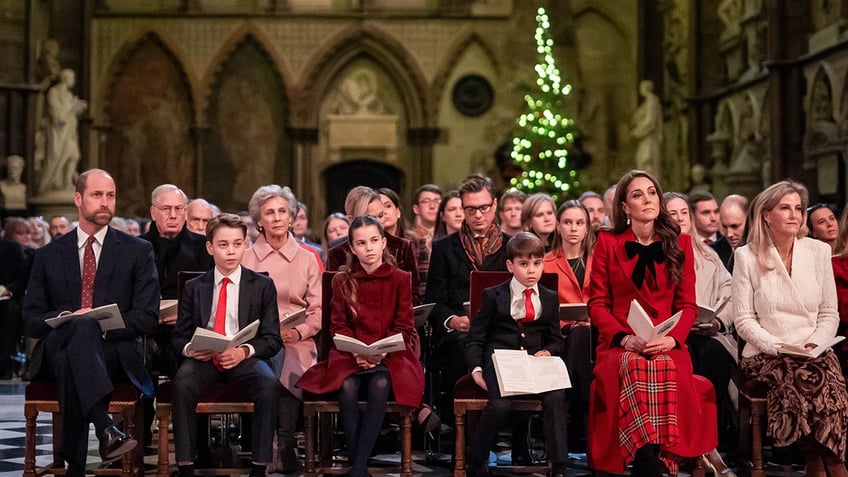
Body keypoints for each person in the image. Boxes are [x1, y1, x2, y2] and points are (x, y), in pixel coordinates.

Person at [23, 169, 159, 476]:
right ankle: (105, 428)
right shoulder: (48, 254)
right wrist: (66, 320)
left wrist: (98, 324)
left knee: (77, 347)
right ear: (78, 199)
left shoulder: (138, 251)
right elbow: (30, 320)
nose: (105, 203)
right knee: (79, 331)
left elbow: (148, 316)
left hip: (113, 351)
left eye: (110, 196)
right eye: (97, 195)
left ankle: (76, 465)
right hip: (57, 344)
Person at [587, 170, 716, 476]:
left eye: (652, 192)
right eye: (637, 195)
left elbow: (687, 305)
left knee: (662, 364)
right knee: (634, 364)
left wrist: (672, 339)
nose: (647, 199)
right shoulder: (608, 242)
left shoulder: (681, 243)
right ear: (624, 207)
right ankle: (647, 459)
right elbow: (597, 304)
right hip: (621, 345)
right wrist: (623, 338)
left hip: (667, 342)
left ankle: (658, 456)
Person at [734, 180, 848, 477]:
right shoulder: (747, 256)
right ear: (766, 214)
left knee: (830, 378)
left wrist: (814, 343)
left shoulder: (818, 252)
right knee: (797, 375)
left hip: (814, 348)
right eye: (785, 208)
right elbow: (744, 320)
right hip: (767, 352)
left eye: (798, 208)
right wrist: (777, 346)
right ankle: (816, 460)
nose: (794, 214)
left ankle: (831, 461)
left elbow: (828, 313)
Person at [298, 215, 424, 477]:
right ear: (352, 248)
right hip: (350, 353)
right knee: (347, 385)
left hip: (391, 354)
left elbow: (404, 325)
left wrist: (380, 352)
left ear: (383, 243)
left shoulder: (400, 278)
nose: (369, 248)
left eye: (374, 241)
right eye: (362, 243)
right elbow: (338, 326)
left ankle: (357, 467)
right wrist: (357, 351)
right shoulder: (343, 281)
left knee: (380, 384)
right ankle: (360, 465)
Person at [171, 213, 283, 477]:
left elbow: (273, 339)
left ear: (245, 244)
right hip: (205, 359)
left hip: (244, 358)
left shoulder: (263, 285)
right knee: (182, 383)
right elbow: (178, 337)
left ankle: (259, 466)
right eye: (223, 245)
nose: (231, 251)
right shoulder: (194, 287)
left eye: (237, 244)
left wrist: (244, 351)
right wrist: (190, 350)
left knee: (268, 383)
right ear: (210, 247)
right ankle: (186, 466)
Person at [465, 233, 570, 477]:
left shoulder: (550, 298)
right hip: (501, 361)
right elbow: (476, 337)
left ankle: (560, 465)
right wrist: (476, 369)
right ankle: (476, 459)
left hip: (535, 362)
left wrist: (549, 351)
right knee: (500, 405)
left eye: (537, 263)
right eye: (524, 264)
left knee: (556, 398)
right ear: (511, 266)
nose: (531, 270)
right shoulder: (494, 295)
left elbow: (556, 338)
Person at [241, 185, 323, 473]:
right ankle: (270, 444)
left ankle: (284, 442)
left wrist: (299, 332)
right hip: (255, 338)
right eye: (269, 213)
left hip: (296, 337)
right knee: (266, 357)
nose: (276, 218)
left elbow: (318, 310)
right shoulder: (245, 258)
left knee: (290, 357)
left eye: (282, 212)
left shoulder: (308, 257)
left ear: (292, 218)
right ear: (259, 221)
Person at [425, 175, 510, 427]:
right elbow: (434, 302)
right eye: (471, 209)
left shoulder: (511, 247)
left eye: (484, 208)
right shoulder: (444, 248)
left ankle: (495, 431)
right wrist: (452, 320)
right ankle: (461, 433)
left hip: (502, 331)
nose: (478, 215)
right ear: (463, 209)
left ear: (494, 205)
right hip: (459, 334)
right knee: (464, 347)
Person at [665, 192, 737, 474]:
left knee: (715, 356)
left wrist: (718, 322)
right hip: (672, 333)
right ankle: (690, 446)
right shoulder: (656, 253)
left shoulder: (709, 255)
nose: (680, 218)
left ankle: (711, 442)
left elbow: (730, 293)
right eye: (673, 214)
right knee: (684, 361)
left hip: (706, 330)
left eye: (684, 213)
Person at [543, 200, 594, 449]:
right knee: (577, 335)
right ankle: (580, 416)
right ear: (558, 226)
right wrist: (567, 325)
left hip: (597, 335)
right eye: (568, 222)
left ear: (587, 228)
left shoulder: (600, 262)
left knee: (583, 334)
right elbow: (542, 310)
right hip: (560, 337)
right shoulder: (545, 264)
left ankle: (575, 414)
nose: (574, 228)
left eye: (579, 223)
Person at [327, 186, 421, 305]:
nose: (377, 223)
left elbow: (414, 295)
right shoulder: (337, 254)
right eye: (370, 218)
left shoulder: (402, 246)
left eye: (380, 216)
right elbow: (333, 303)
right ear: (351, 219)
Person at [40, 69, 87, 195]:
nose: (74, 81)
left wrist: (78, 108)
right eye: (72, 78)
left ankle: (66, 183)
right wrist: (72, 109)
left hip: (70, 131)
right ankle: (52, 183)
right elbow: (56, 114)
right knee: (59, 155)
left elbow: (71, 113)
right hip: (59, 133)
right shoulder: (54, 92)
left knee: (74, 155)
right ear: (66, 78)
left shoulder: (69, 95)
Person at [407, 184, 442, 300]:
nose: (432, 206)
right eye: (426, 201)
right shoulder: (408, 240)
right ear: (416, 208)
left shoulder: (449, 238)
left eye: (437, 201)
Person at [0, 237, 27, 379]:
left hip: (7, 298)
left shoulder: (11, 247)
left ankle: (5, 365)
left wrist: (8, 290)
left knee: (9, 310)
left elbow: (22, 278)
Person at [631, 80, 663, 176]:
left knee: (647, 162)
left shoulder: (652, 101)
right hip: (644, 138)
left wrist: (637, 132)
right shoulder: (647, 102)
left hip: (649, 138)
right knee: (642, 162)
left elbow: (650, 122)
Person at [711, 194, 748, 273]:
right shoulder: (711, 253)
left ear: (750, 221)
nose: (729, 234)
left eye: (734, 226)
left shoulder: (766, 249)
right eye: (724, 226)